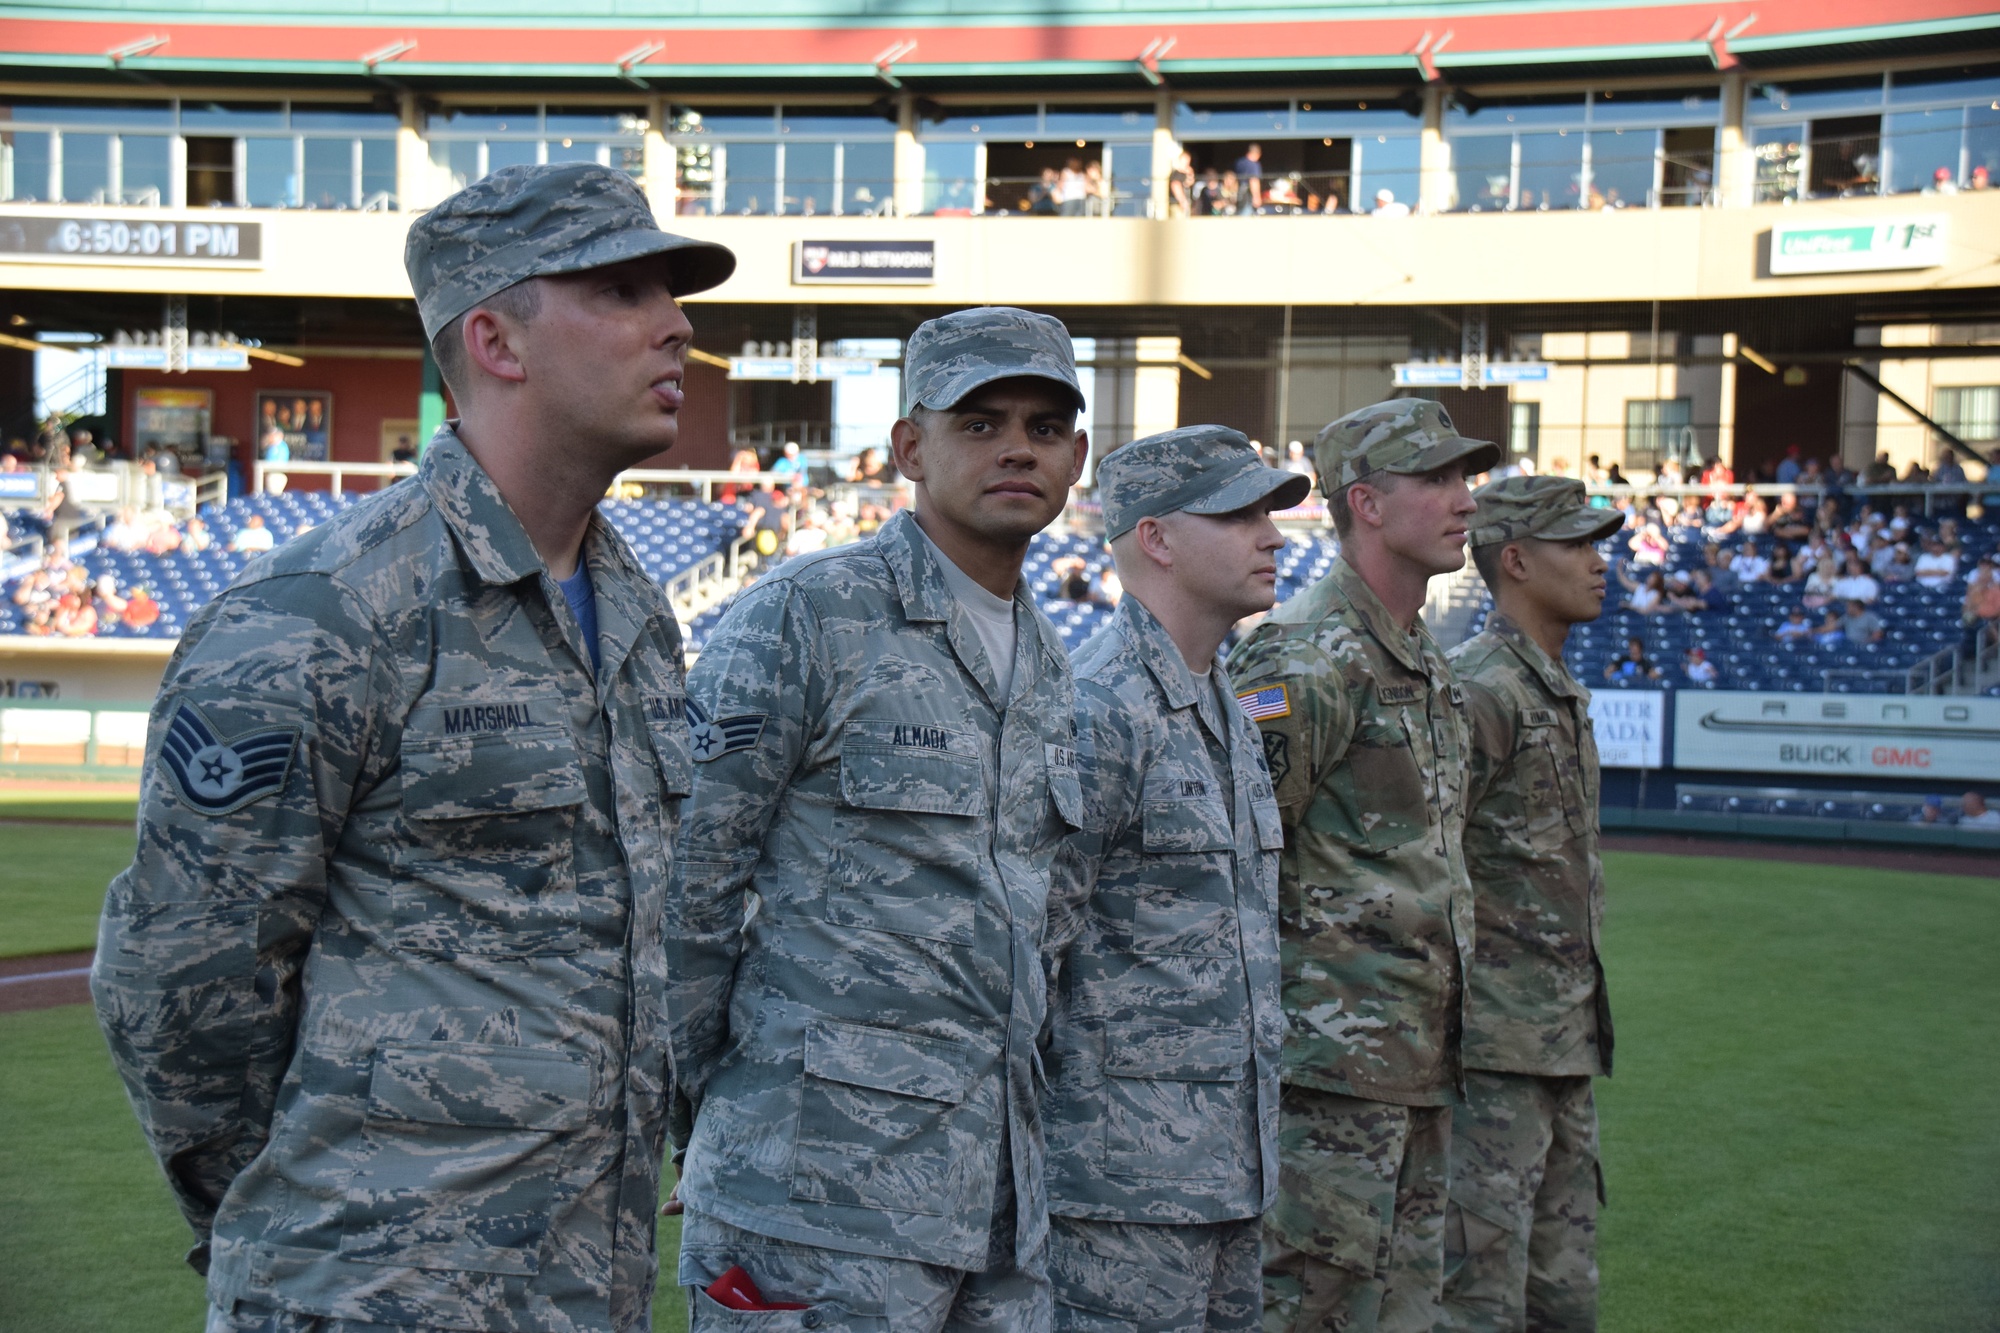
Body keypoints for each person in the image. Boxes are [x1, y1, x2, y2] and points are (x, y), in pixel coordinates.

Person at [91, 161, 736, 1333]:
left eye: (670, 294)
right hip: (370, 1290)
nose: (676, 324)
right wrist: (307, 1206)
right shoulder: (324, 610)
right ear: (495, 340)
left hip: (587, 1287)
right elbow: (181, 983)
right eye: (624, 291)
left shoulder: (635, 613)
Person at [667, 308, 1091, 1329]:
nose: (1016, 448)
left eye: (1042, 425)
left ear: (1077, 455)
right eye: (978, 424)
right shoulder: (806, 616)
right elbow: (685, 886)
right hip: (812, 1195)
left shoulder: (1048, 660)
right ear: (909, 447)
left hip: (994, 1201)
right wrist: (715, 1119)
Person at [1228, 399, 1499, 1332]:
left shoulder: (1422, 657)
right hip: (1326, 1073)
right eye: (1438, 478)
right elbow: (1236, 860)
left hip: (1414, 1062)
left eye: (1466, 477)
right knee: (1310, 1308)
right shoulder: (1308, 656)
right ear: (1368, 504)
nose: (1465, 499)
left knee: (1404, 1315)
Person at [1044, 426, 1307, 1331]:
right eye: (1240, 514)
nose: (1274, 535)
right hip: (1116, 1195)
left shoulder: (1220, 706)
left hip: (1227, 1177)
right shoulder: (1096, 710)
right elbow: (1025, 955)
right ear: (1156, 538)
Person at [1441, 476, 1624, 1333]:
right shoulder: (1481, 690)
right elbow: (1430, 857)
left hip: (1560, 1044)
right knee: (1478, 1302)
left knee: (1563, 1299)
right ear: (1515, 560)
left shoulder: (1551, 686)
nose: (1600, 562)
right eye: (1579, 544)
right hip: (1490, 1054)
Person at [1235, 143, 1265, 211]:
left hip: (1239, 193)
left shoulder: (1239, 162)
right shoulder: (1254, 165)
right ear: (1258, 154)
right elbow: (1254, 180)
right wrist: (1256, 197)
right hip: (1248, 194)